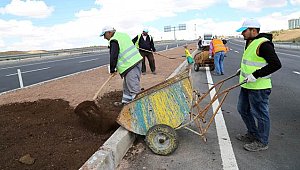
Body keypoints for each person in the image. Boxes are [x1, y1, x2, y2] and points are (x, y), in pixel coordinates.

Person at [235, 18, 282, 151]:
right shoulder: (250, 42)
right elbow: (252, 61)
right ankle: (252, 133)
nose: (242, 33)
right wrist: (242, 71)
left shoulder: (264, 44)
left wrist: (255, 75)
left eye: (244, 31)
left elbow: (276, 64)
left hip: (259, 88)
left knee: (260, 114)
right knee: (242, 109)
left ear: (253, 30)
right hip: (247, 85)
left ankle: (262, 141)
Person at [100, 26, 143, 106]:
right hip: (135, 62)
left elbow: (113, 56)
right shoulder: (123, 35)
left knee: (133, 87)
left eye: (104, 35)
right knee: (126, 86)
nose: (104, 38)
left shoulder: (114, 40)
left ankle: (139, 106)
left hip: (130, 65)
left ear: (109, 32)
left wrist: (112, 69)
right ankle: (126, 103)